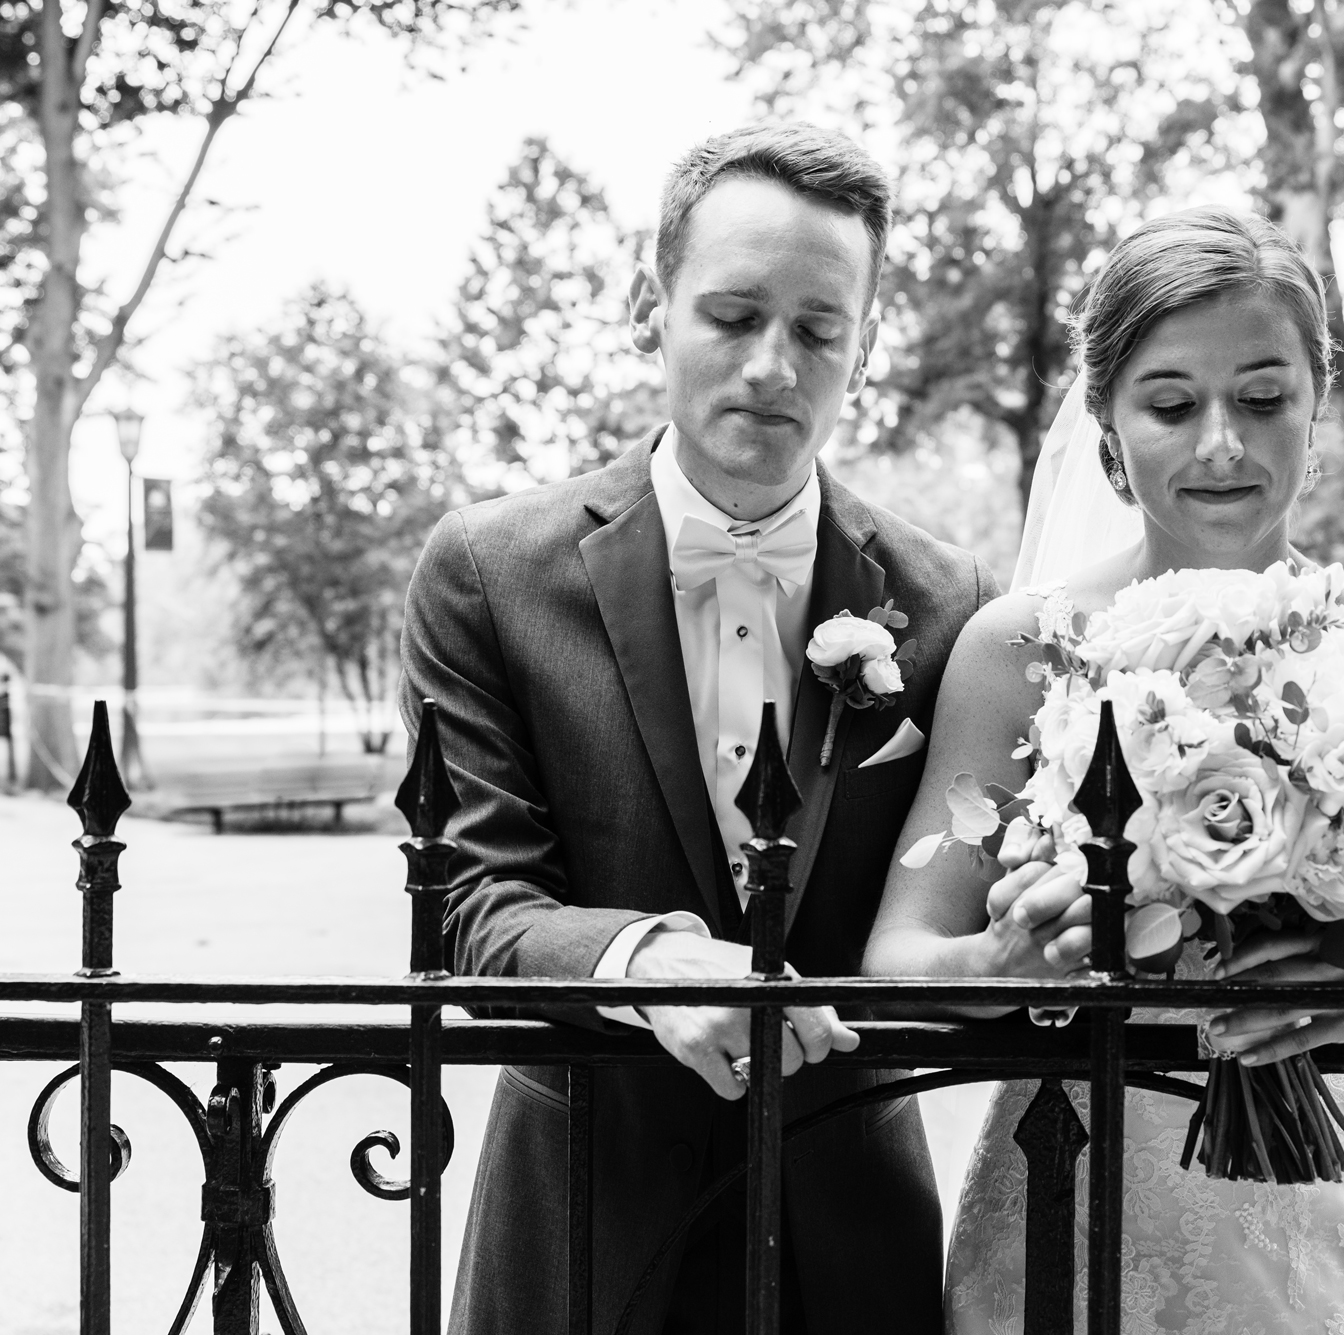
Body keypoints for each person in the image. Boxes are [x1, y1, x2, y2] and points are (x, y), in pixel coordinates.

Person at [864, 206, 1344, 1334]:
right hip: (1066, 1193)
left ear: (1314, 420)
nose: (1220, 440)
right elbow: (897, 954)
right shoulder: (1019, 651)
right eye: (1172, 405)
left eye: (1263, 399)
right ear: (1106, 437)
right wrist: (1002, 956)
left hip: (1309, 1214)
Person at [400, 122, 999, 1335]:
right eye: (732, 317)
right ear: (648, 307)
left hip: (852, 1236)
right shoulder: (482, 572)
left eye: (818, 329)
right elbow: (468, 903)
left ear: (864, 345)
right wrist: (646, 962)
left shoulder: (955, 607)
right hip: (579, 1226)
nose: (774, 367)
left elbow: (960, 936)